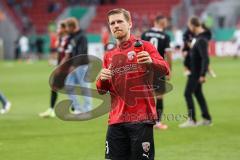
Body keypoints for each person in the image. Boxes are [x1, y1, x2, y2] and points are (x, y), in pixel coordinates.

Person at [96, 8, 170, 159]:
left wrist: (151, 61)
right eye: (112, 23)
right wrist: (101, 80)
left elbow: (165, 69)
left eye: (120, 21)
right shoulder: (109, 55)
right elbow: (102, 90)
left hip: (141, 118)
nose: (116, 25)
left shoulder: (145, 46)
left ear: (129, 23)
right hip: (116, 120)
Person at [179, 17, 212, 128]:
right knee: (198, 93)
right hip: (195, 71)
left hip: (196, 72)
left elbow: (205, 58)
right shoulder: (199, 38)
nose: (189, 28)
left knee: (187, 93)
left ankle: (192, 120)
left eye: (189, 26)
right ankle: (207, 118)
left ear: (193, 25)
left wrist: (202, 74)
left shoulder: (201, 40)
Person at [141, 15, 172, 130]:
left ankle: (144, 119)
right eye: (165, 21)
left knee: (145, 95)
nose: (166, 24)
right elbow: (168, 54)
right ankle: (157, 122)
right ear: (160, 22)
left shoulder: (145, 34)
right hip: (158, 67)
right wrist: (169, 70)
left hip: (146, 68)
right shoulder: (165, 36)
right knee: (159, 96)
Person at [39, 21, 69, 118]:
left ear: (64, 29)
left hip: (66, 68)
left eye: (59, 28)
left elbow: (68, 55)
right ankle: (51, 109)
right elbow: (59, 53)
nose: (57, 30)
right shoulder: (61, 39)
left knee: (64, 88)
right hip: (61, 67)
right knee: (56, 87)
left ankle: (76, 108)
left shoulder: (68, 40)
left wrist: (60, 66)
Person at [63, 17, 92, 114]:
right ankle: (77, 108)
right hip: (73, 66)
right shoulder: (72, 36)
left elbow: (81, 52)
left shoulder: (82, 36)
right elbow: (71, 51)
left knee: (84, 87)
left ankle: (88, 108)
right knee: (68, 85)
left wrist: (74, 65)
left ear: (72, 26)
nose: (67, 29)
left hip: (82, 65)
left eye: (68, 27)